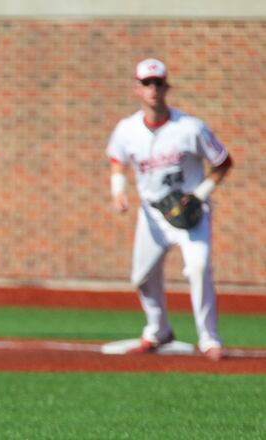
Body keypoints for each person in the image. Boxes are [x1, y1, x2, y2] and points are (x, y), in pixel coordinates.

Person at [106, 58, 233, 361]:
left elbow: (223, 162)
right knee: (141, 276)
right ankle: (158, 330)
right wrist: (119, 191)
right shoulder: (127, 129)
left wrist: (200, 194)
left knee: (199, 266)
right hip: (152, 214)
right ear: (137, 88)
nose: (153, 89)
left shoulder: (190, 128)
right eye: (146, 83)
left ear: (166, 87)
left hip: (190, 215)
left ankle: (209, 338)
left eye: (158, 83)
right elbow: (117, 161)